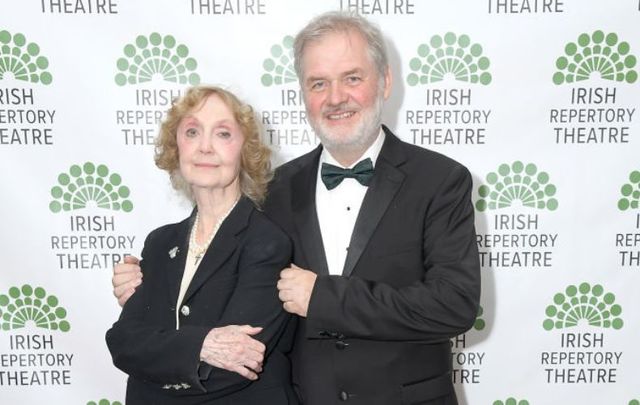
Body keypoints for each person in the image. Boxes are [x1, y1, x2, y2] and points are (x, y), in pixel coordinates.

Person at [113, 11, 481, 405]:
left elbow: (454, 305)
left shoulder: (441, 180)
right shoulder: (272, 190)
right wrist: (151, 288)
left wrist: (323, 298)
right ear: (303, 94)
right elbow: (224, 296)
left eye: (352, 78)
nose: (336, 97)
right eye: (318, 83)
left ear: (386, 81)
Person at [106, 85, 298, 404]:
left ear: (244, 150)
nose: (205, 147)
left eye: (223, 134)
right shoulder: (159, 243)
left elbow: (237, 366)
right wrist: (203, 346)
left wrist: (156, 364)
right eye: (192, 132)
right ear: (176, 147)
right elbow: (122, 343)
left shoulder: (267, 242)